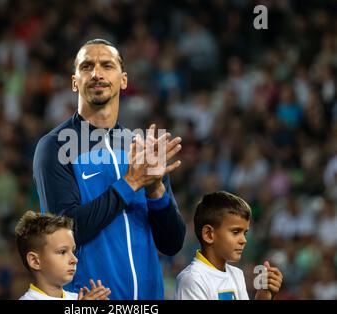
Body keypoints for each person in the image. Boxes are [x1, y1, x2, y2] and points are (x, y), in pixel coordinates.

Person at [33, 39, 185, 299]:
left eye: (107, 65)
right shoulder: (54, 146)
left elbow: (172, 244)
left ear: (123, 80)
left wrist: (156, 189)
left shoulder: (141, 148)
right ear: (74, 81)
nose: (97, 74)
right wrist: (130, 183)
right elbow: (66, 233)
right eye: (87, 66)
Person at [175, 191, 283, 300]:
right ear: (208, 234)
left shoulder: (237, 274)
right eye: (236, 232)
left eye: (245, 233)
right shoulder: (192, 279)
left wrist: (263, 297)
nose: (244, 240)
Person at [15, 211, 111, 300]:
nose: (74, 259)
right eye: (62, 252)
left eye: (73, 251)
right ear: (35, 261)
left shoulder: (77, 298)